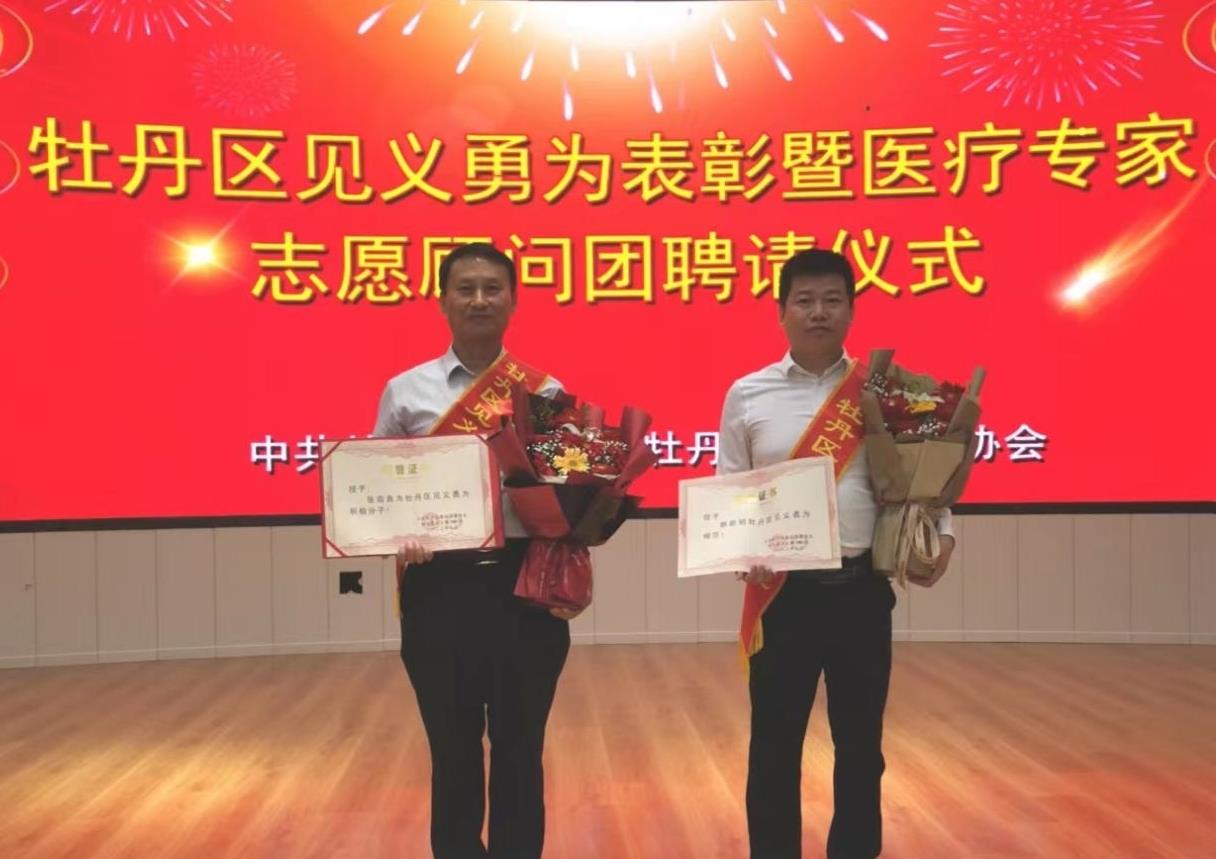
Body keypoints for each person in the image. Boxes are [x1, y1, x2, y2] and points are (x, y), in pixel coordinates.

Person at [716, 248, 955, 859]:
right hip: (782, 597)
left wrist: (943, 531)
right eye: (804, 300)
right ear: (781, 311)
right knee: (774, 749)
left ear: (851, 310)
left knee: (860, 749)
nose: (818, 312)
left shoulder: (885, 391)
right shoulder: (748, 394)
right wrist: (743, 549)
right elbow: (730, 489)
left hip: (862, 592)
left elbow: (921, 477)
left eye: (831, 300)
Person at [373, 242, 581, 859]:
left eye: (493, 288)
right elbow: (378, 489)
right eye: (465, 289)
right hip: (439, 586)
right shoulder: (405, 391)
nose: (480, 300)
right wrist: (397, 533)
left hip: (524, 587)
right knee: (453, 751)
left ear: (513, 301)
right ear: (442, 302)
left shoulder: (544, 391)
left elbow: (570, 495)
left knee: (520, 750)